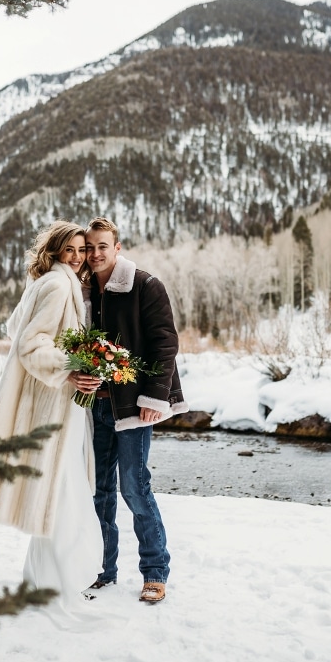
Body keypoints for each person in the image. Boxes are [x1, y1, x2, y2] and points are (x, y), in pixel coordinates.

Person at [0, 220, 104, 623]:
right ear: (54, 250)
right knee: (66, 493)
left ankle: (44, 579)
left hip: (52, 403)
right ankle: (62, 583)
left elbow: (17, 328)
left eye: (82, 250)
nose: (78, 257)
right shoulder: (57, 284)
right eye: (70, 250)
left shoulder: (44, 282)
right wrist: (70, 367)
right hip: (55, 405)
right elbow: (31, 343)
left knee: (60, 492)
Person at [81, 217, 188, 604]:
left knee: (134, 489)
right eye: (89, 247)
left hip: (133, 407)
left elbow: (165, 344)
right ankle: (100, 570)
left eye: (102, 247)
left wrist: (154, 399)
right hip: (92, 407)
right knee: (98, 492)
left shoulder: (145, 285)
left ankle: (155, 574)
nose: (94, 254)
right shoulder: (82, 290)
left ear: (117, 247)